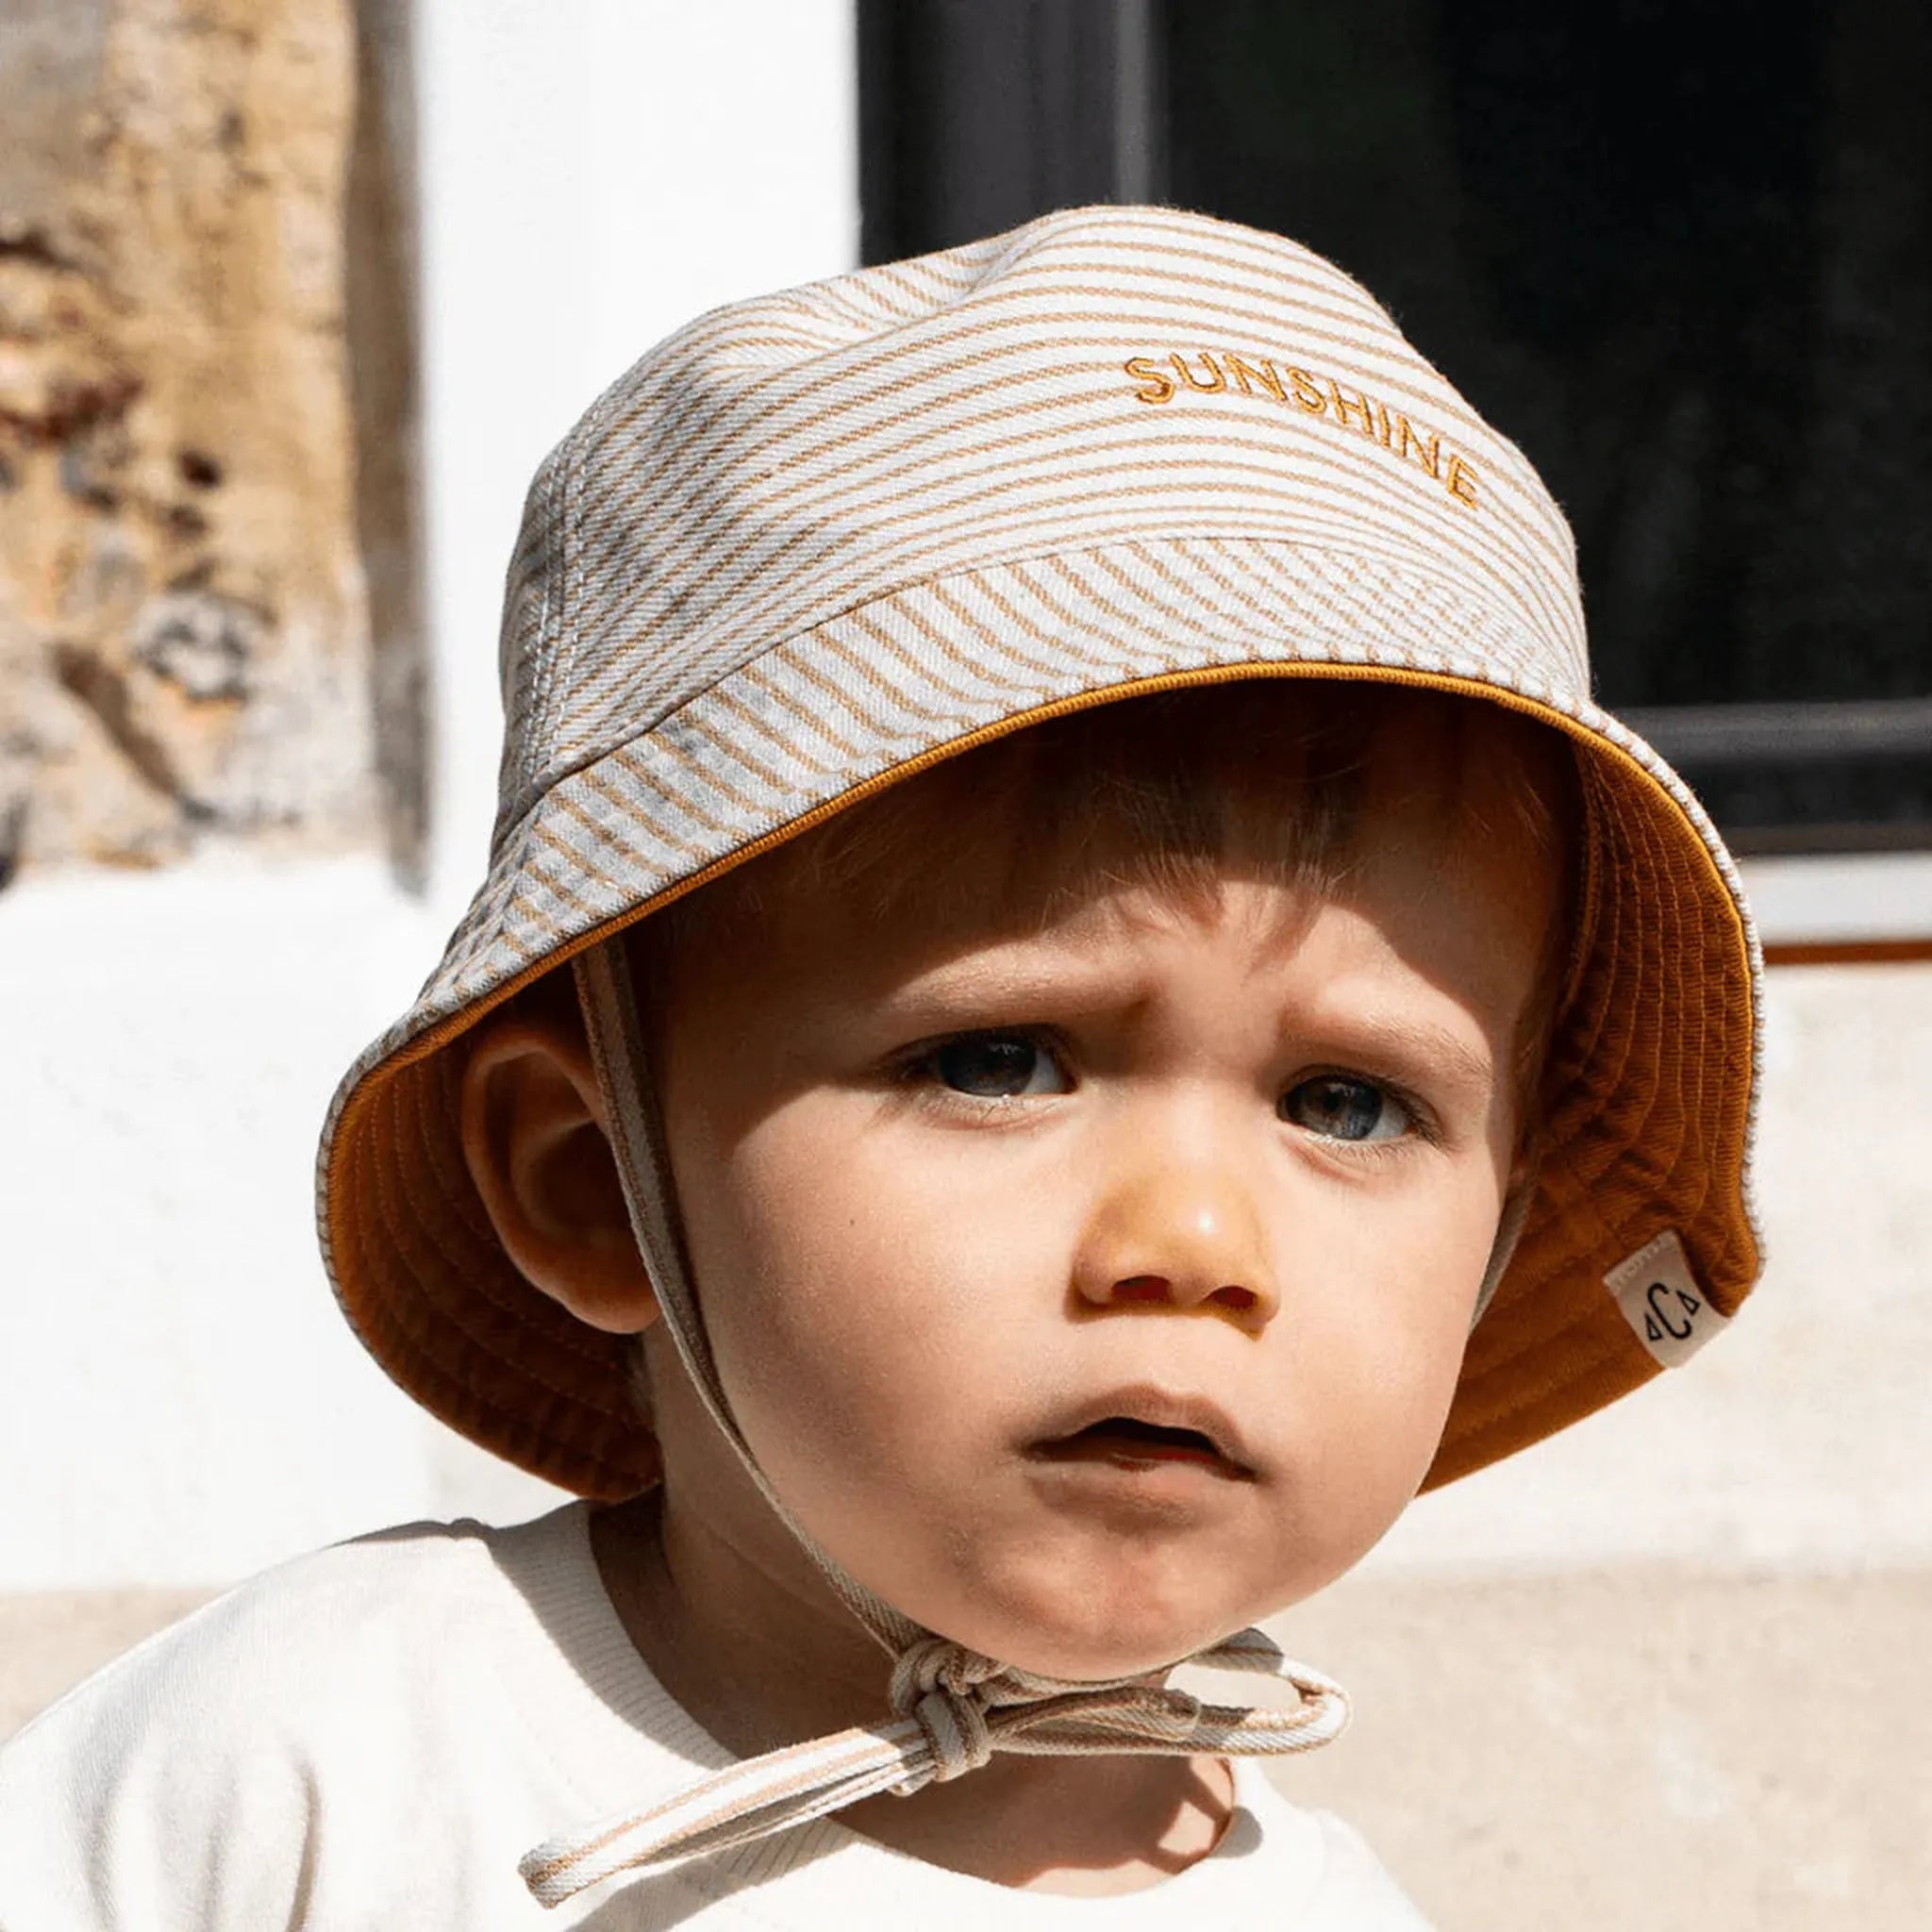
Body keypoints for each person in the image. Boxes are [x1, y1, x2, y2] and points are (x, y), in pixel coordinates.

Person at [0, 205, 1761, 1926]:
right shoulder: (312, 1771)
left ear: (1499, 1247)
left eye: (1348, 1103)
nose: (1196, 1242)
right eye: (1001, 1061)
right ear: (588, 1176)